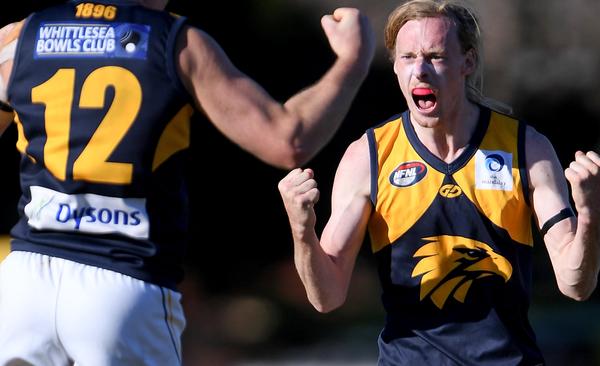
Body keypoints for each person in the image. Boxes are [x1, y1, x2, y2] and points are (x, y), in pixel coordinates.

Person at [0, 0, 375, 364]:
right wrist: (352, 61)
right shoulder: (176, 41)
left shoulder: (21, 36)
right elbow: (288, 140)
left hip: (25, 284)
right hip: (121, 280)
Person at [278, 0, 600, 364]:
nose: (419, 70)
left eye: (435, 56)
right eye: (407, 58)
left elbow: (575, 283)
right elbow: (327, 297)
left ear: (467, 62)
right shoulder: (367, 157)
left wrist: (590, 211)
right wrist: (302, 230)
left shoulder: (526, 148)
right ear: (395, 66)